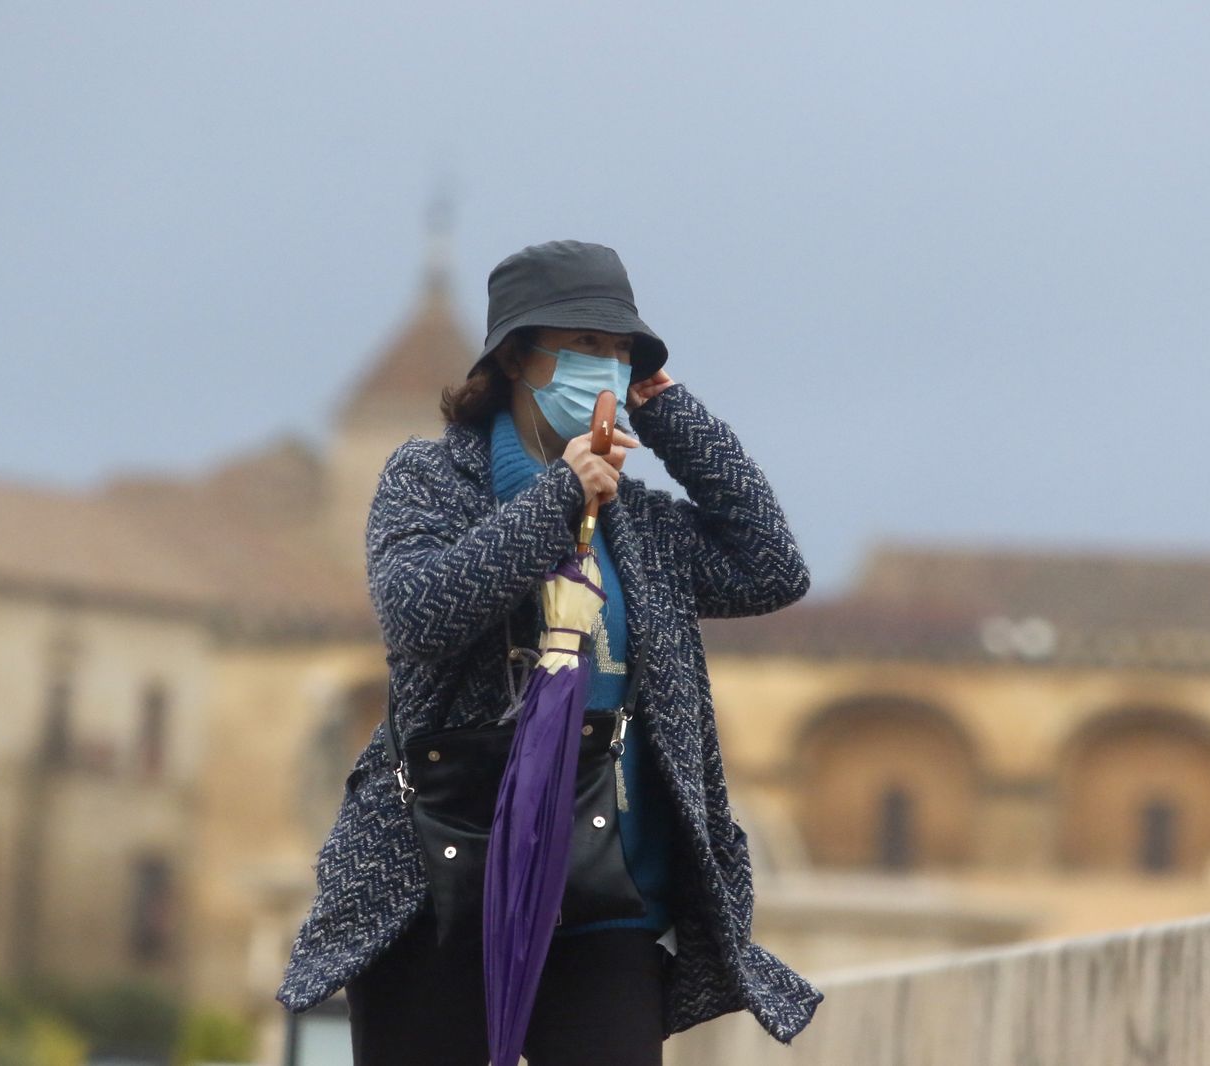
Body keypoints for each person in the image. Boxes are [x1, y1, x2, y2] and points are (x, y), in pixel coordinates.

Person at [277, 239, 821, 1065]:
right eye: (582, 347)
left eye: (619, 351)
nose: (602, 368)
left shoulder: (639, 526)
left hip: (602, 891)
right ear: (516, 358)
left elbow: (771, 567)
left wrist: (666, 407)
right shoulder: (428, 480)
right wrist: (562, 493)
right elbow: (422, 613)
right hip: (442, 881)